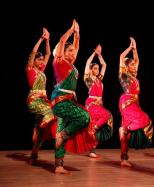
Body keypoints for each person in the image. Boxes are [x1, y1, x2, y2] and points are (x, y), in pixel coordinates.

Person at [51, 20, 92, 174]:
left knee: (61, 129)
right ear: (62, 52)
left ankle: (59, 165)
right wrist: (70, 30)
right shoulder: (59, 62)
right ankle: (63, 135)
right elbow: (62, 41)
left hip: (67, 101)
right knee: (85, 118)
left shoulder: (71, 64)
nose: (73, 53)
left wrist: (77, 34)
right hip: (61, 101)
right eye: (69, 51)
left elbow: (77, 47)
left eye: (73, 51)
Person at [118, 37, 153, 167]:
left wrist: (135, 49)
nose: (134, 65)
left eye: (134, 64)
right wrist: (129, 48)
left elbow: (137, 60)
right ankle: (124, 129)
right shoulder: (124, 76)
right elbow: (122, 57)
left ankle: (124, 158)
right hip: (126, 102)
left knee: (126, 133)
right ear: (126, 67)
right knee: (145, 119)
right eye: (131, 64)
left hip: (134, 103)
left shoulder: (134, 77)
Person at [26, 28, 57, 165]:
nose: (40, 61)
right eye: (38, 60)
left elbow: (49, 53)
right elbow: (33, 52)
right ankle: (40, 126)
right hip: (34, 100)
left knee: (40, 132)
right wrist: (41, 39)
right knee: (50, 114)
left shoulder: (41, 70)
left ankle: (34, 154)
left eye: (41, 60)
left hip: (43, 101)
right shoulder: (30, 70)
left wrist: (48, 40)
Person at [83, 44, 113, 158]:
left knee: (97, 127)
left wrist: (99, 56)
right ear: (91, 70)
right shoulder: (88, 79)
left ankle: (92, 151)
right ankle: (93, 128)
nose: (98, 70)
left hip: (99, 104)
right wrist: (94, 53)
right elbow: (87, 63)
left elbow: (104, 64)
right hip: (91, 104)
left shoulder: (99, 79)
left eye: (97, 68)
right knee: (107, 115)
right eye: (95, 68)